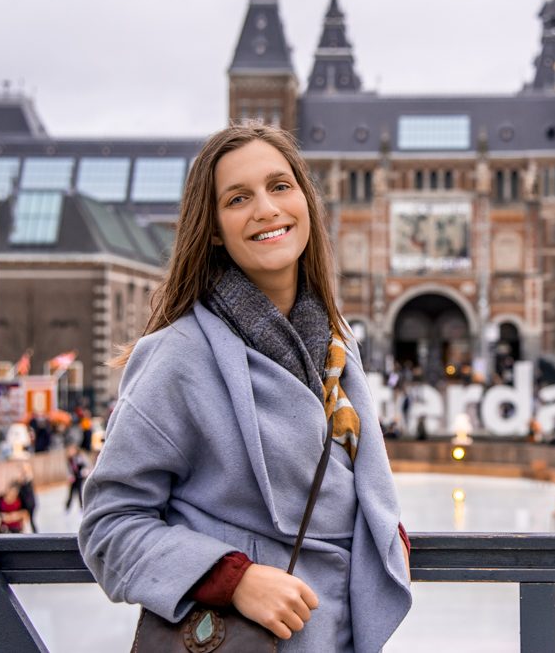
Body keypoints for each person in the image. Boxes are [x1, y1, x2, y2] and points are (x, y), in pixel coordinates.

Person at [78, 124, 411, 651]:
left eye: (280, 186)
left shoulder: (336, 341)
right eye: (238, 198)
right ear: (213, 229)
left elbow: (343, 484)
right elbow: (107, 526)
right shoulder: (180, 355)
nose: (265, 208)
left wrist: (381, 531)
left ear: (306, 200)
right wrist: (233, 580)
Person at [64, 444, 87, 511]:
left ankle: (81, 506)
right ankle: (67, 507)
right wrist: (70, 476)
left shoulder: (80, 457)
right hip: (73, 478)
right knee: (71, 493)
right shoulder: (69, 460)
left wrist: (85, 471)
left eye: (72, 450)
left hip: (80, 477)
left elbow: (85, 465)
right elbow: (68, 469)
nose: (71, 452)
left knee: (80, 492)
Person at [18, 463, 38, 532]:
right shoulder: (22, 479)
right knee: (24, 521)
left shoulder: (28, 479)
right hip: (24, 503)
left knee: (31, 520)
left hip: (29, 504)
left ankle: (35, 535)